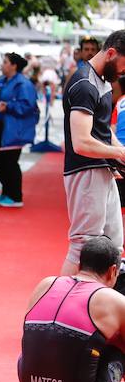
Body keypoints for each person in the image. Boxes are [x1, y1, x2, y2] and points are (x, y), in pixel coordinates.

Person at [19, 236, 125, 382]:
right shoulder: (114, 300)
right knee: (116, 346)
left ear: (79, 265)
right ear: (113, 271)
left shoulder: (46, 284)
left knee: (40, 341)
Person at [61, 30, 125, 276]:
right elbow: (81, 143)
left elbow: (102, 132)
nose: (123, 72)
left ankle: (102, 306)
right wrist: (119, 153)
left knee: (113, 246)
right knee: (82, 246)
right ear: (111, 53)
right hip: (84, 171)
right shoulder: (85, 84)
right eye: (123, 64)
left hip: (101, 171)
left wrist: (117, 154)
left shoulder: (102, 82)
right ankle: (59, 308)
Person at [0, 53, 39, 207]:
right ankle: (7, 191)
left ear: (14, 65)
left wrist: (9, 106)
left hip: (13, 130)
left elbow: (28, 106)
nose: (2, 65)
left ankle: (15, 196)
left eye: (5, 62)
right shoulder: (1, 82)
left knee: (9, 162)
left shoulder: (23, 84)